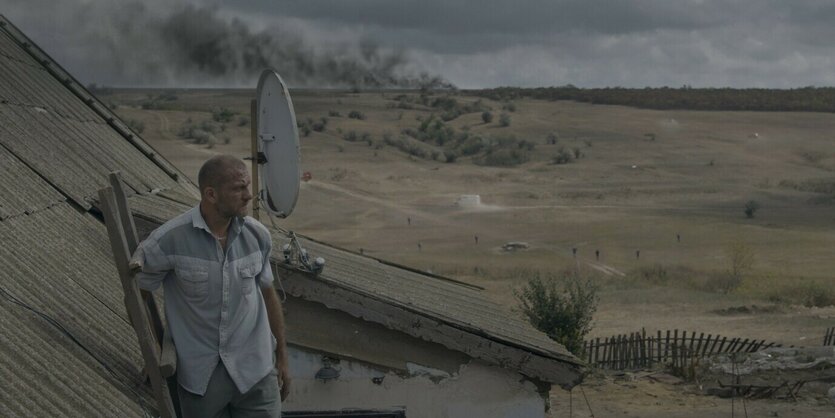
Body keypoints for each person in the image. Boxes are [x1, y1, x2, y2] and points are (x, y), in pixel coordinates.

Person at [135, 155, 289, 418]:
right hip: (200, 378)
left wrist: (283, 356)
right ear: (211, 194)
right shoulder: (168, 240)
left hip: (256, 373)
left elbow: (267, 293)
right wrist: (152, 350)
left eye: (248, 186)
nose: (248, 196)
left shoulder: (257, 236)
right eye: (239, 188)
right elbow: (139, 296)